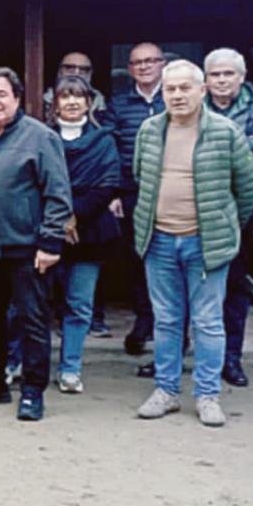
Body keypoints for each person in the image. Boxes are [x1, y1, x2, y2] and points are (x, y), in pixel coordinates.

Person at [132, 61, 253, 428]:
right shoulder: (149, 130)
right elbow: (140, 175)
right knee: (167, 320)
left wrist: (222, 224)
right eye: (170, 89)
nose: (177, 95)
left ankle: (207, 395)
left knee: (208, 322)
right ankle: (166, 391)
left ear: (202, 90)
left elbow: (248, 187)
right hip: (158, 241)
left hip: (205, 244)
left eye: (185, 88)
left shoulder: (226, 131)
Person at [0, 68, 72, 422]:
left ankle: (33, 392)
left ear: (17, 98)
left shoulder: (40, 137)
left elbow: (58, 195)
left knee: (32, 321)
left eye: (2, 94)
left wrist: (51, 243)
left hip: (27, 249)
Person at [204, 48, 253, 388]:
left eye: (228, 74)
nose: (221, 80)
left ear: (242, 76)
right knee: (190, 289)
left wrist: (206, 146)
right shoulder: (192, 105)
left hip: (239, 213)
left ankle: (230, 358)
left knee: (233, 288)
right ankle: (186, 356)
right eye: (215, 74)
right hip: (196, 210)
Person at [46, 77, 122, 395]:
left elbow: (108, 182)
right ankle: (21, 362)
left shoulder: (104, 140)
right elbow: (35, 179)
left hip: (89, 233)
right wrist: (62, 216)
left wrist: (76, 214)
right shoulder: (42, 138)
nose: (73, 102)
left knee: (79, 305)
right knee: (35, 303)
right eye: (66, 96)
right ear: (56, 103)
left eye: (79, 96)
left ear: (89, 103)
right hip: (48, 229)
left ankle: (70, 369)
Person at [97, 41, 167, 357]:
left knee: (171, 259)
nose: (144, 67)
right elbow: (109, 148)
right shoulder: (119, 104)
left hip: (171, 191)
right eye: (137, 63)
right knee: (138, 260)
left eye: (150, 61)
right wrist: (113, 191)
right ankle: (144, 321)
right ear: (129, 69)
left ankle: (173, 329)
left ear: (162, 64)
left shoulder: (175, 98)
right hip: (132, 192)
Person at [41, 52, 108, 115]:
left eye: (83, 69)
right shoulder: (41, 101)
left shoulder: (100, 102)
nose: (76, 73)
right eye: (69, 68)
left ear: (90, 74)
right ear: (59, 71)